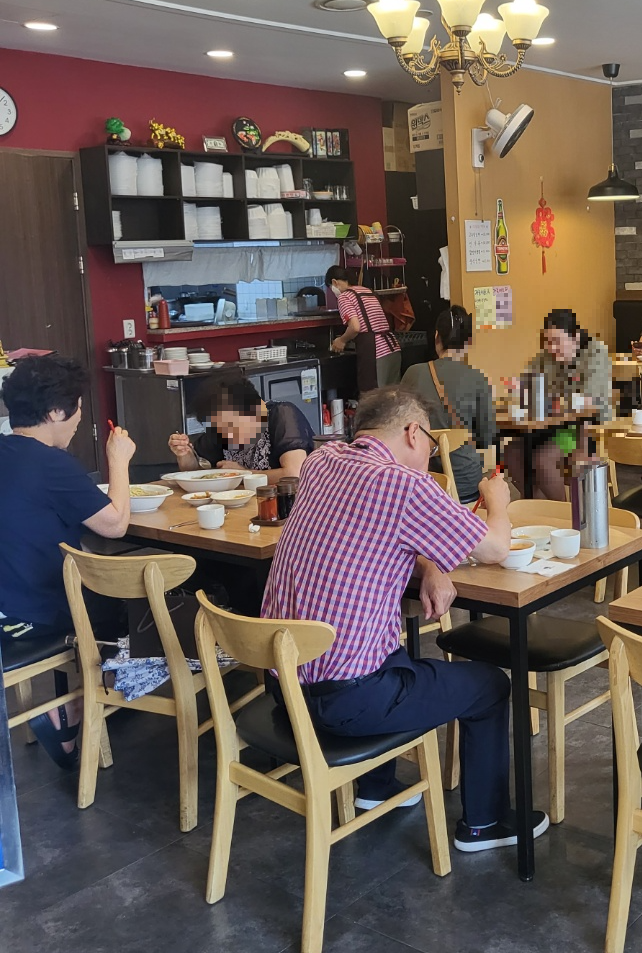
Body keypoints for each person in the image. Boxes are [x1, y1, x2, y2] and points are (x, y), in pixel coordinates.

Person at [262, 385, 547, 852]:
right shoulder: (405, 484)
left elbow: (372, 529)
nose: (428, 456)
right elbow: (495, 549)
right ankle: (484, 823)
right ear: (414, 432)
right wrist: (497, 499)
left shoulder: (321, 462)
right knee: (489, 686)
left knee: (387, 650)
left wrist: (431, 565)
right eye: (431, 445)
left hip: (283, 686)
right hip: (345, 703)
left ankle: (376, 787)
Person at [0, 356, 136, 770]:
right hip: (33, 616)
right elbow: (115, 524)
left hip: (7, 606)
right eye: (77, 408)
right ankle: (76, 708)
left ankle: (80, 701)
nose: (79, 418)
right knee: (129, 603)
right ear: (56, 412)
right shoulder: (49, 462)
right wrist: (119, 460)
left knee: (91, 592)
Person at [509, 308, 613, 500]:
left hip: (585, 428)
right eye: (548, 342)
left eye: (557, 341)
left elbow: (587, 401)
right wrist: (520, 387)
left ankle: (563, 511)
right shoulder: (546, 357)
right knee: (512, 453)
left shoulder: (595, 354)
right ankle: (536, 504)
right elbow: (528, 382)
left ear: (575, 337)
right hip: (551, 425)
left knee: (542, 460)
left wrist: (548, 398)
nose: (551, 348)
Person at [400, 305, 495, 504]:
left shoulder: (413, 373)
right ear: (468, 342)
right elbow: (486, 438)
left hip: (424, 484)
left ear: (437, 336)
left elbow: (400, 427)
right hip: (466, 485)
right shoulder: (478, 378)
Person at [168, 371, 314, 485]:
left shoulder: (282, 414)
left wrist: (243, 474)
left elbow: (294, 474)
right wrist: (184, 455)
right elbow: (197, 470)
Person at [326, 264, 402, 386]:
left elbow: (355, 327)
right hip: (392, 349)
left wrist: (341, 340)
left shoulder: (344, 297)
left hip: (376, 353)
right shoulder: (366, 290)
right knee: (393, 395)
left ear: (334, 282)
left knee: (373, 396)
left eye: (331, 287)